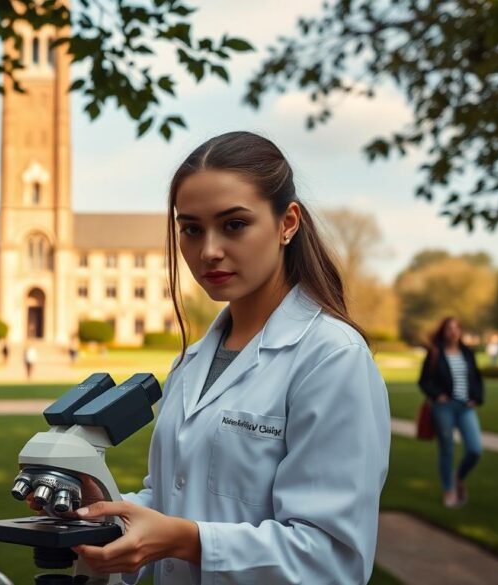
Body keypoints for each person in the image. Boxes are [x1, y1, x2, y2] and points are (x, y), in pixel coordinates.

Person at [51, 132, 390, 584]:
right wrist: (104, 508)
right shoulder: (191, 363)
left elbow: (332, 560)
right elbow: (178, 499)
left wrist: (186, 541)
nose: (208, 250)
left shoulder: (332, 359)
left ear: (288, 223)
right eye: (191, 229)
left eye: (233, 225)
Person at [418, 317, 484, 508]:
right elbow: (423, 382)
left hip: (466, 408)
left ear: (460, 331)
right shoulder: (435, 353)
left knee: (475, 449)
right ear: (443, 331)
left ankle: (458, 477)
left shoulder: (467, 353)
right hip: (444, 408)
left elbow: (477, 379)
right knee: (446, 449)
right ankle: (448, 489)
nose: (453, 331)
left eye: (457, 328)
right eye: (449, 328)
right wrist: (437, 395)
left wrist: (477, 397)